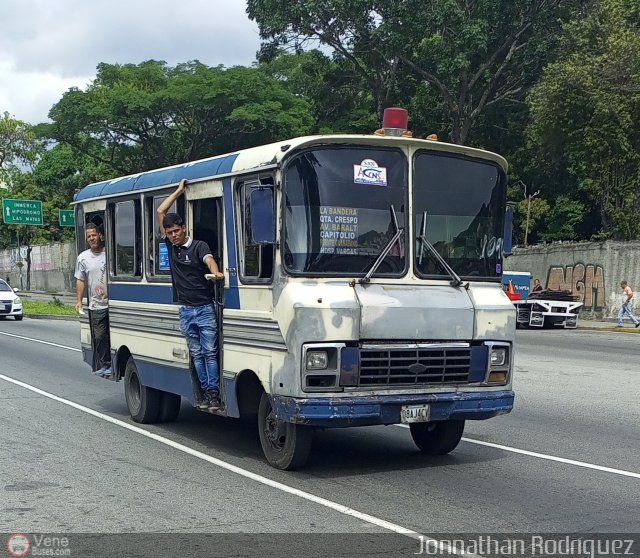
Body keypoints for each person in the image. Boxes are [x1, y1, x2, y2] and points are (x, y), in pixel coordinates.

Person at [157, 179, 225, 409]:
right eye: (169, 232)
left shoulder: (199, 246)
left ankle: (214, 393)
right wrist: (178, 191)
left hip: (204, 308)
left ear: (184, 228)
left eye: (176, 231)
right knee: (196, 354)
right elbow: (160, 210)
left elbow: (210, 261)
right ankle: (205, 393)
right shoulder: (171, 247)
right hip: (185, 310)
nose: (173, 235)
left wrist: (216, 274)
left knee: (209, 352)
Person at [75, 223, 112, 376]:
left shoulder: (110, 254)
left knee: (113, 335)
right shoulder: (83, 258)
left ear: (100, 236)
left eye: (94, 235)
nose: (91, 238)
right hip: (96, 304)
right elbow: (80, 280)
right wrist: (79, 300)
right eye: (89, 236)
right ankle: (104, 364)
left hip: (113, 303)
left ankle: (112, 363)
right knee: (99, 336)